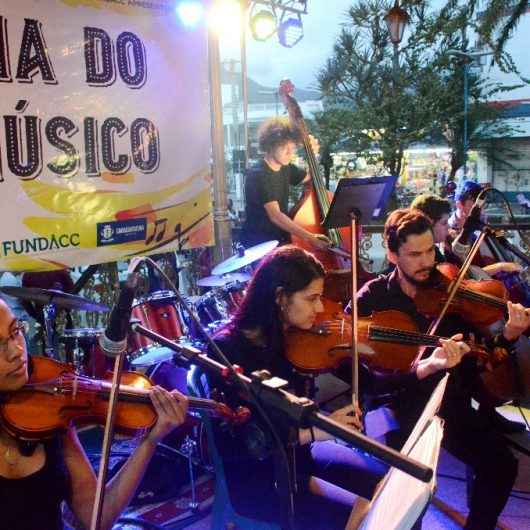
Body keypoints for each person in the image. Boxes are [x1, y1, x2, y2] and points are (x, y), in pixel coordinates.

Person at [356, 209, 527, 530]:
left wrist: (507, 336)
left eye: (430, 250)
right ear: (393, 254)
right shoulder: (371, 299)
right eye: (414, 254)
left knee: (500, 463)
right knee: (405, 485)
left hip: (446, 402)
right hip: (394, 405)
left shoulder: (450, 291)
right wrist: (417, 370)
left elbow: (480, 362)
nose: (426, 262)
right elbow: (362, 378)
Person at [209, 246, 390, 529]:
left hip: (300, 459)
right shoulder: (226, 351)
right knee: (368, 520)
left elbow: (372, 383)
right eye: (312, 298)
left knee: (388, 484)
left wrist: (424, 368)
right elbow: (248, 443)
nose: (320, 309)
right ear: (280, 297)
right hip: (262, 480)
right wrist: (317, 430)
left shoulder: (294, 337)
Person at [0, 297, 189, 530]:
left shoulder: (50, 409)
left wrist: (149, 441)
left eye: (15, 331)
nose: (16, 351)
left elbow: (96, 519)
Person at [240, 117, 330, 251]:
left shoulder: (286, 168)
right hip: (259, 245)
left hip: (280, 241)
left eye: (292, 147)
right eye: (284, 147)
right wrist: (310, 238)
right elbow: (276, 216)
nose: (290, 153)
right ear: (270, 146)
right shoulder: (258, 174)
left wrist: (313, 154)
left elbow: (311, 178)